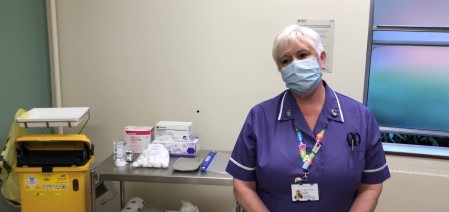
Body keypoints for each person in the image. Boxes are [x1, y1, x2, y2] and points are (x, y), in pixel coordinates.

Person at [226, 24, 390, 212]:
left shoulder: (360, 117)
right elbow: (242, 185)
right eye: (286, 60)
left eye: (303, 55)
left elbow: (370, 187)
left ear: (321, 59)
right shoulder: (260, 117)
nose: (295, 65)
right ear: (280, 70)